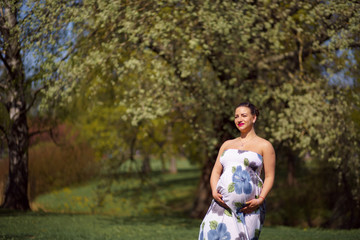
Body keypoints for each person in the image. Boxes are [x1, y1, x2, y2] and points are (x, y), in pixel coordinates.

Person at [198, 102, 276, 240]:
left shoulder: (265, 145)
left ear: (254, 118)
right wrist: (214, 191)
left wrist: (261, 199)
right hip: (220, 207)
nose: (239, 119)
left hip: (248, 210)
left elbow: (269, 176)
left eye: (244, 115)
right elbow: (216, 172)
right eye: (236, 116)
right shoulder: (227, 145)